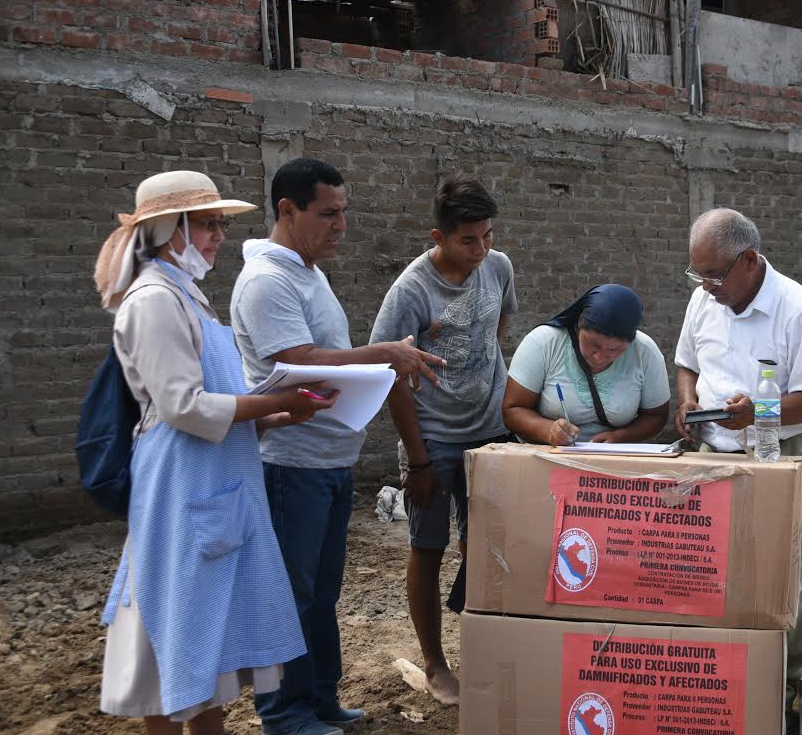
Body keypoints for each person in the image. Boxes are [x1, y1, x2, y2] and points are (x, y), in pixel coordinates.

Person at [94, 170, 337, 735]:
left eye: (219, 225)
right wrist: (274, 401)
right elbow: (184, 406)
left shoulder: (184, 296)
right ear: (169, 229)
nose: (217, 237)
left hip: (209, 480)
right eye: (207, 225)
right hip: (181, 482)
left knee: (206, 626)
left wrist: (276, 413)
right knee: (171, 622)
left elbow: (209, 405)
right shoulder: (154, 299)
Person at [231, 158, 443, 735]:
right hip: (288, 462)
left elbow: (322, 359)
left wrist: (376, 365)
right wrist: (384, 355)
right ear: (287, 211)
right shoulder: (268, 280)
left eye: (344, 212)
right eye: (328, 213)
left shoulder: (307, 271)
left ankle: (319, 698)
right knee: (290, 596)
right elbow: (294, 361)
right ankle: (284, 713)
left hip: (327, 459)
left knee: (321, 593)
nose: (340, 225)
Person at [673, 208, 802, 723]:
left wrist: (757, 412)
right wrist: (689, 401)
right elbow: (687, 362)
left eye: (714, 274)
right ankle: (715, 667)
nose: (706, 286)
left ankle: (786, 676)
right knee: (706, 562)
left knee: (784, 567)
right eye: (698, 274)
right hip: (711, 448)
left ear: (749, 260)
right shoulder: (704, 299)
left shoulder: (798, 308)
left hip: (777, 452)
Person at [369, 176, 517, 705]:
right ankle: (434, 663)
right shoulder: (412, 290)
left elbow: (499, 323)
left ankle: (489, 648)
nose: (482, 250)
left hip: (491, 433)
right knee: (427, 548)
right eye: (468, 241)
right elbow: (389, 372)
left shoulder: (497, 267)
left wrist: (485, 374)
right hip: (434, 440)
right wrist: (419, 459)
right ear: (440, 235)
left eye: (488, 236)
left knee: (490, 546)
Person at [503, 284, 670, 445]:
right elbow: (513, 409)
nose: (599, 357)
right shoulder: (544, 342)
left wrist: (620, 437)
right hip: (548, 455)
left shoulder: (645, 352)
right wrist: (548, 431)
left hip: (613, 459)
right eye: (593, 344)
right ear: (578, 327)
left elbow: (656, 416)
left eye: (615, 349)